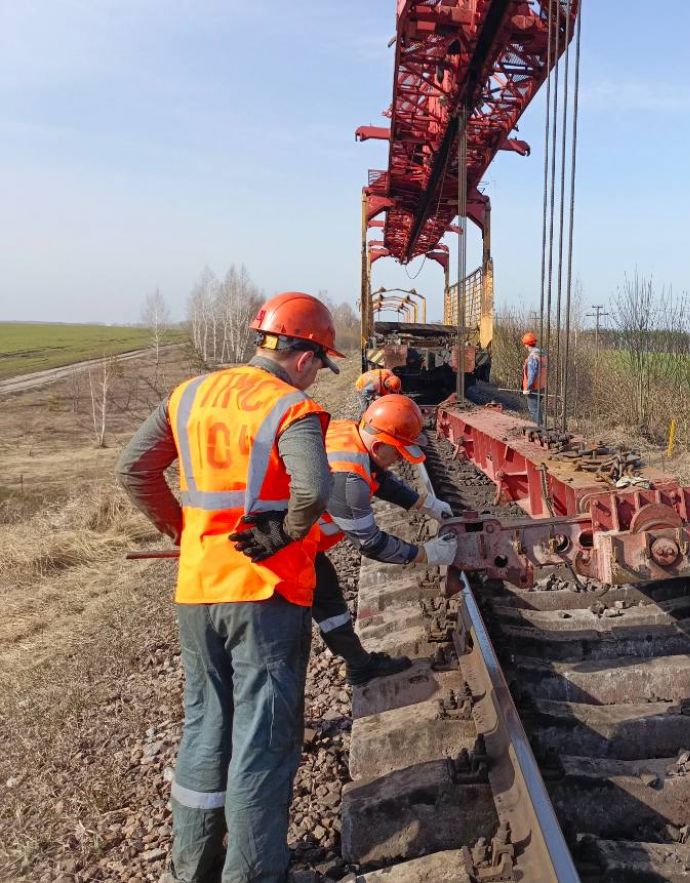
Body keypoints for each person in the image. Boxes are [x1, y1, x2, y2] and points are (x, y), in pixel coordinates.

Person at [116, 291, 342, 882]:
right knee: (263, 736)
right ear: (305, 357)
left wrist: (182, 528)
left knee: (206, 724)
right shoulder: (289, 407)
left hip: (198, 587)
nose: (316, 377)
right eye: (320, 365)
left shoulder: (188, 394)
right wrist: (284, 535)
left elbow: (135, 469)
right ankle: (253, 873)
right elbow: (313, 490)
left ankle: (190, 870)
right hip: (264, 592)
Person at [312, 394, 457, 685]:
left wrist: (426, 504)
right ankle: (356, 666)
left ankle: (358, 665)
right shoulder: (348, 481)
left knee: (329, 600)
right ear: (379, 445)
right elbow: (371, 544)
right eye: (398, 454)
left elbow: (378, 476)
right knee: (312, 613)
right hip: (285, 551)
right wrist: (426, 553)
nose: (400, 461)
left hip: (301, 544)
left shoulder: (350, 435)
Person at [520, 330, 546, 424]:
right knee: (537, 408)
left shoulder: (533, 357)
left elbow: (532, 373)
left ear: (526, 344)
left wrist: (528, 388)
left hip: (534, 388)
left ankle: (540, 430)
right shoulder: (542, 354)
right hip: (542, 387)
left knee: (534, 409)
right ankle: (541, 428)